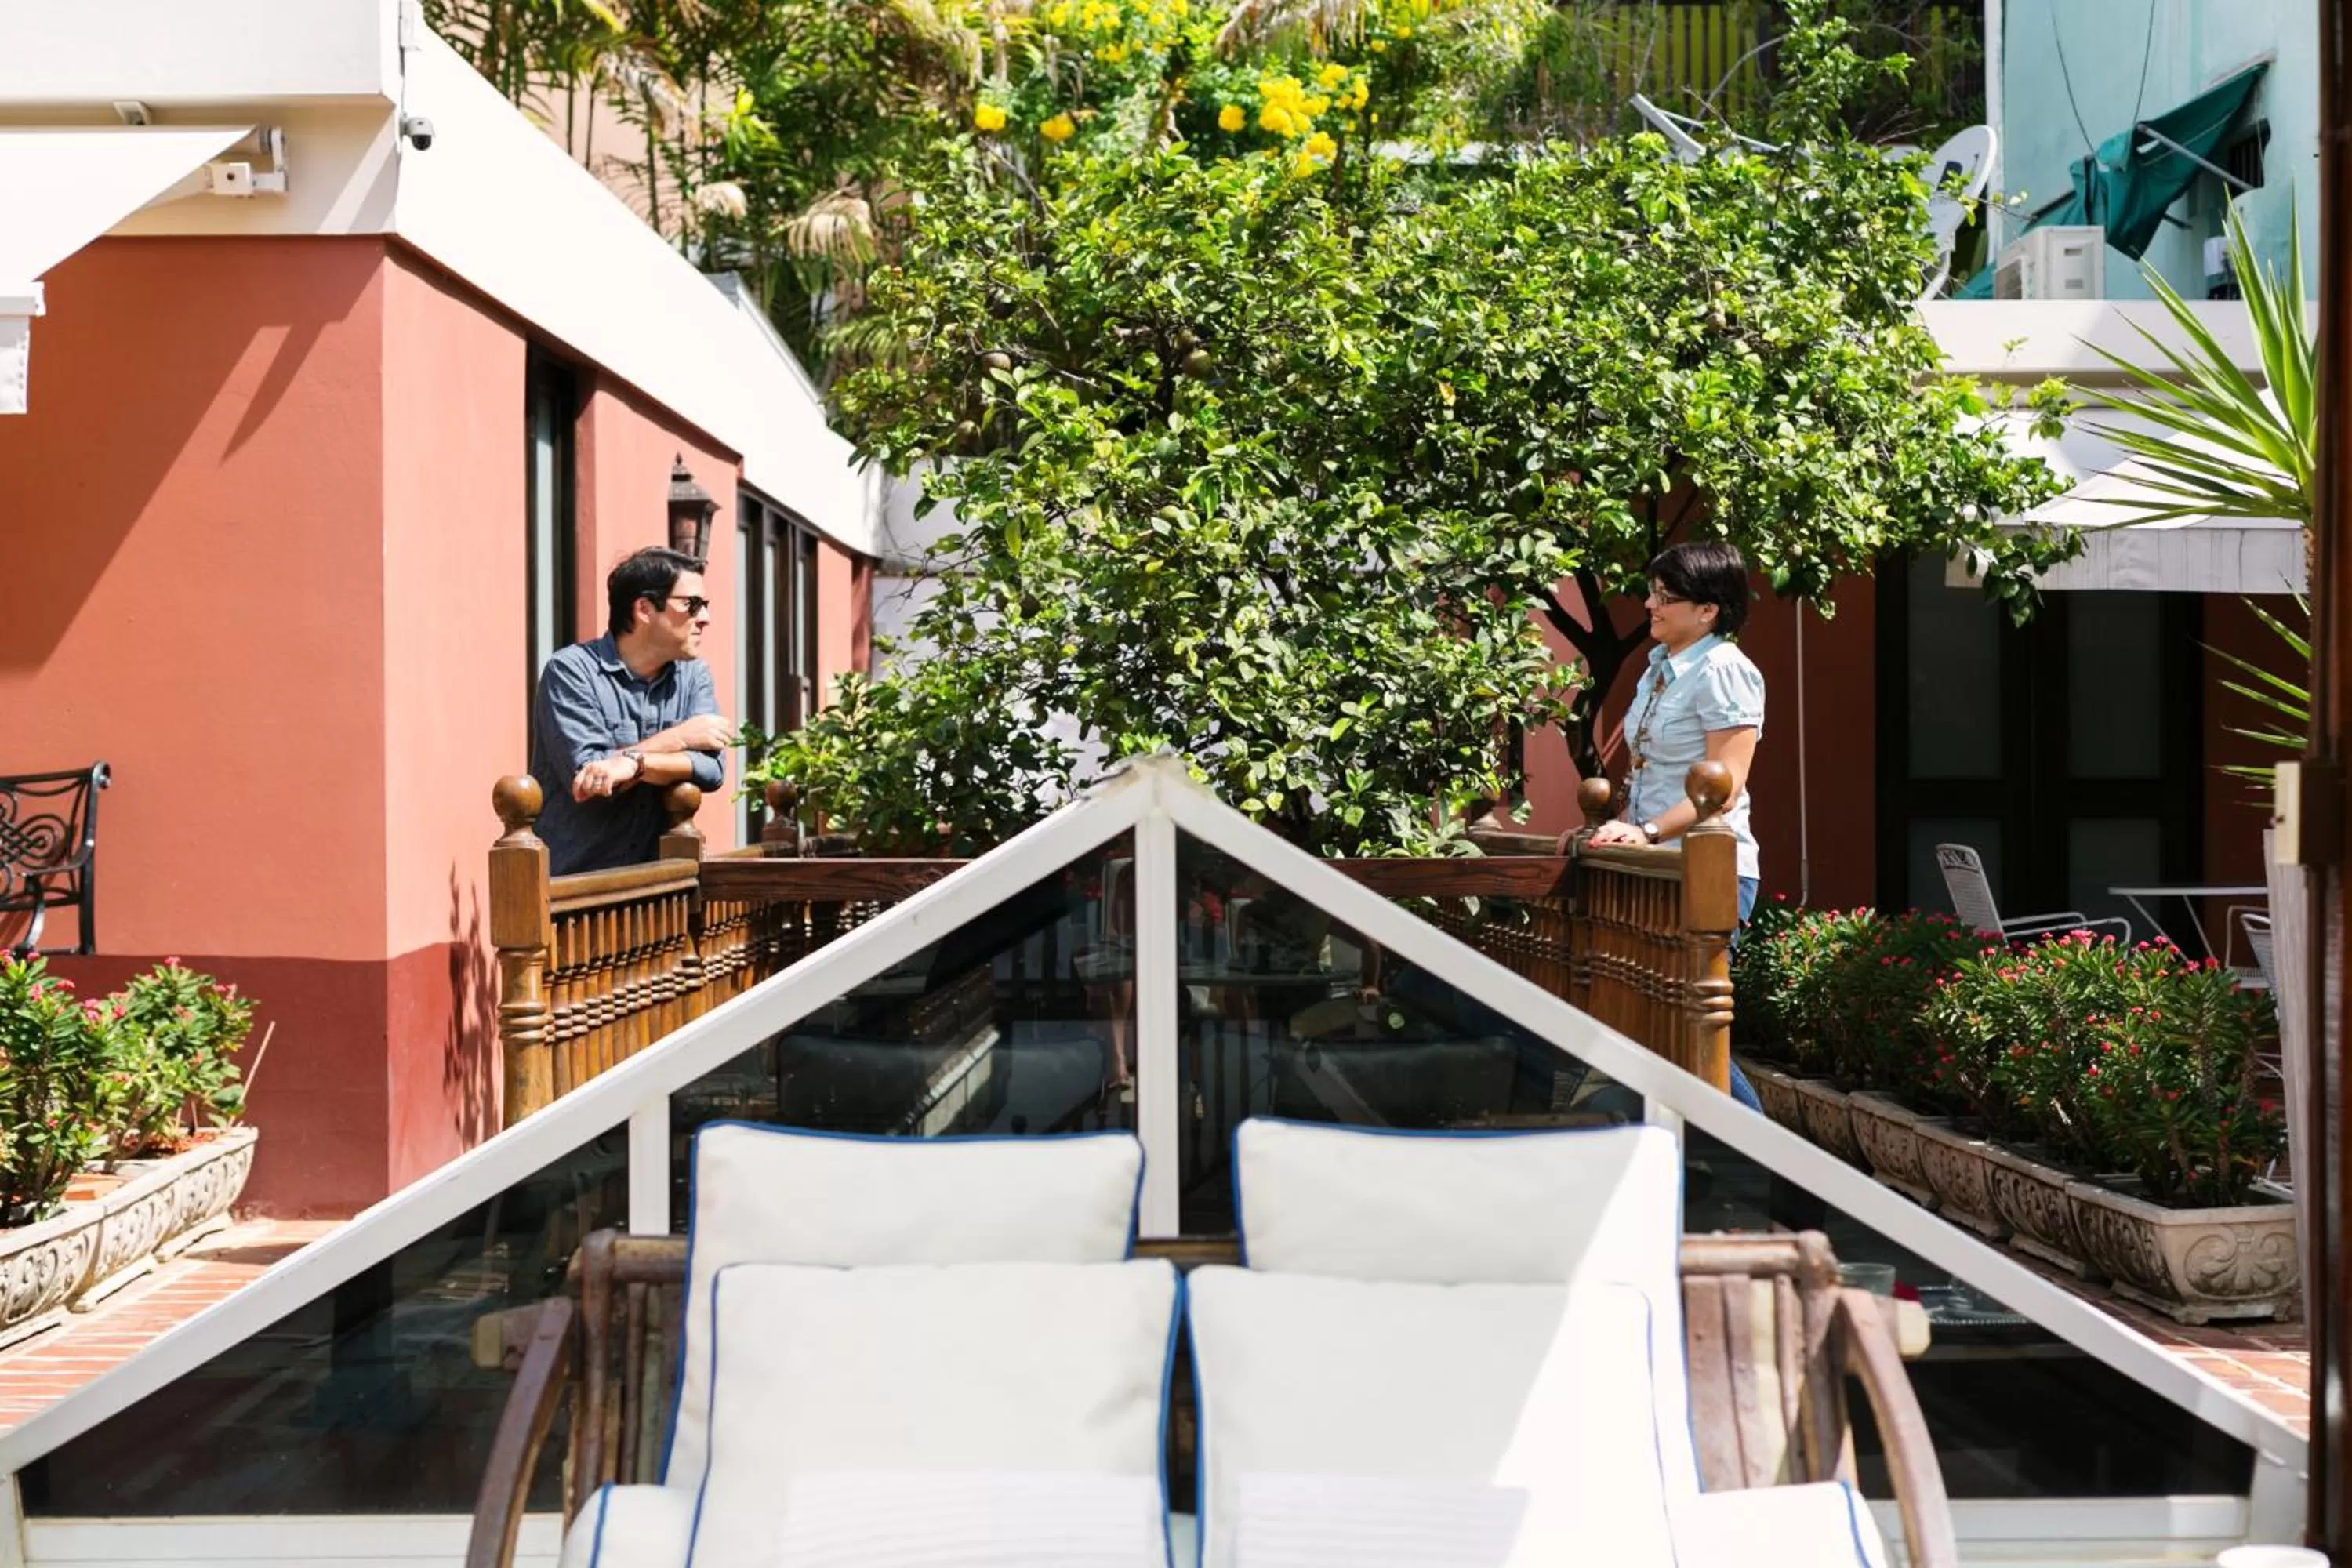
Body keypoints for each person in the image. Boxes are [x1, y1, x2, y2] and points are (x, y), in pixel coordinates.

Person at [1585, 539, 1767, 1109]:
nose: (1649, 606)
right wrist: (1617, 829)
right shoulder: (1659, 667)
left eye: (1666, 597)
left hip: (1710, 868)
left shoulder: (1726, 670)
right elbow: (1649, 770)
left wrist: (1648, 832)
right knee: (1650, 1021)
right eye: (1652, 593)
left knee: (1689, 1022)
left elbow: (1724, 786)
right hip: (1659, 864)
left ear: (1708, 609)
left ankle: (1764, 1161)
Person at [529, 546, 730, 877]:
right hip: (576, 893)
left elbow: (711, 769)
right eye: (692, 604)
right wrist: (678, 738)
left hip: (657, 892)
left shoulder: (694, 676)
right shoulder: (571, 671)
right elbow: (591, 780)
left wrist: (632, 763)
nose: (705, 618)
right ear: (645, 609)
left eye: (705, 605)